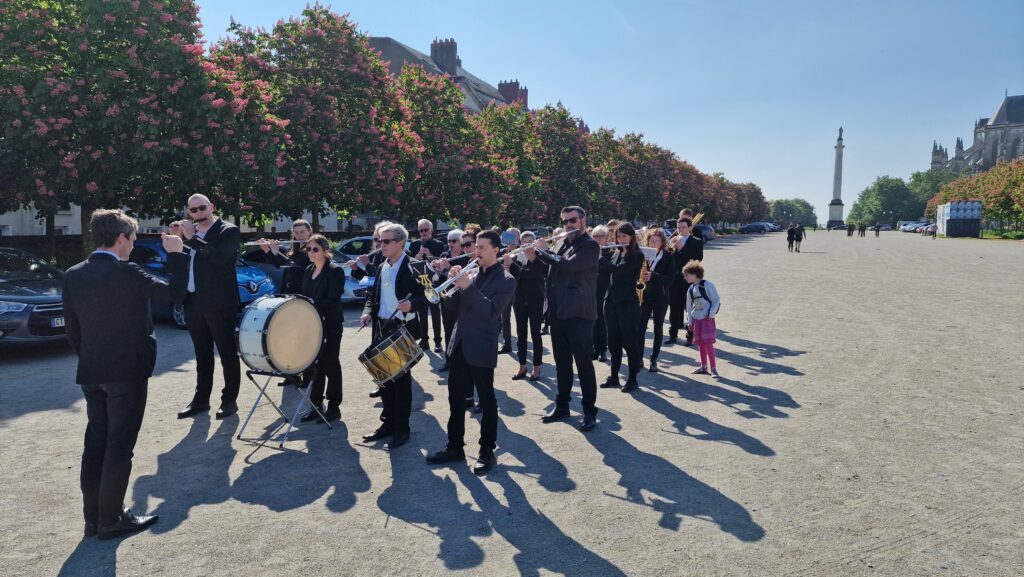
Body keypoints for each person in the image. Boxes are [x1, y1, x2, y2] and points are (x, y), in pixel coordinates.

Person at [63, 209, 189, 539]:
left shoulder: (73, 274)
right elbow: (175, 293)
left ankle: (93, 518)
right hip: (127, 372)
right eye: (132, 239)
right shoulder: (127, 272)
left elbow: (73, 330)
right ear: (120, 238)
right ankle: (112, 518)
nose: (133, 245)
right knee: (119, 446)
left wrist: (90, 356)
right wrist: (177, 255)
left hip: (92, 369)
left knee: (96, 443)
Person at [426, 230, 517, 475]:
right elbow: (456, 307)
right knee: (455, 399)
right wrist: (451, 287)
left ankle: (487, 450)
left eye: (482, 247)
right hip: (459, 344)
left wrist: (467, 286)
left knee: (486, 401)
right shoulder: (472, 273)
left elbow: (490, 312)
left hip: (481, 346)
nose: (476, 251)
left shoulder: (506, 280)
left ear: (497, 249)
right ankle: (454, 446)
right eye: (476, 246)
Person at [171, 194, 242, 420]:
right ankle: (201, 400)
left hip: (220, 302)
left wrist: (192, 239)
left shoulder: (227, 231)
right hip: (193, 300)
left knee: (227, 353)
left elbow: (221, 259)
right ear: (188, 212)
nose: (198, 213)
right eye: (193, 210)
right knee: (202, 354)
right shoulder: (188, 233)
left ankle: (229, 400)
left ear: (211, 207)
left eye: (202, 208)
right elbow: (177, 266)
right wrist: (176, 242)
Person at [532, 206, 601, 431]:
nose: (568, 225)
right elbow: (552, 271)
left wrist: (544, 252)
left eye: (573, 220)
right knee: (562, 363)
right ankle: (562, 406)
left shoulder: (591, 246)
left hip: (580, 314)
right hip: (559, 312)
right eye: (565, 221)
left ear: (583, 221)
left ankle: (590, 411)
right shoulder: (562, 243)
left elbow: (569, 266)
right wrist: (533, 255)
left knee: (583, 365)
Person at [358, 224, 427, 449]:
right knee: (383, 380)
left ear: (401, 243)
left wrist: (412, 304)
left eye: (386, 241)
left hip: (401, 328)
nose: (381, 245)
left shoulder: (416, 266)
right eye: (380, 241)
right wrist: (368, 312)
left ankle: (402, 428)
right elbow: (373, 294)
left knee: (401, 381)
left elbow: (430, 295)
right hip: (380, 326)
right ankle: (387, 424)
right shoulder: (381, 266)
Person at [266, 234, 345, 423]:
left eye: (315, 249)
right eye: (308, 249)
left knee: (331, 364)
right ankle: (316, 405)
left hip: (330, 324)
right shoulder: (309, 269)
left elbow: (332, 300)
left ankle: (334, 406)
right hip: (311, 324)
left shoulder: (335, 271)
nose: (310, 252)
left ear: (325, 251)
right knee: (314, 365)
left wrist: (309, 304)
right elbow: (303, 294)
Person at [599, 223, 644, 393]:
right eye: (619, 236)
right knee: (613, 341)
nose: (621, 239)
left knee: (629, 341)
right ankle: (614, 376)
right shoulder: (615, 253)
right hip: (610, 302)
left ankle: (632, 379)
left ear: (632, 237)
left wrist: (599, 257)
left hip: (627, 303)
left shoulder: (636, 256)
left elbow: (618, 271)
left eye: (624, 236)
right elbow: (607, 272)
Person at [508, 230, 549, 381]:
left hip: (536, 299)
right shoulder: (517, 257)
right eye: (524, 241)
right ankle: (522, 366)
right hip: (519, 299)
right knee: (521, 334)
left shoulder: (540, 259)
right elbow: (514, 276)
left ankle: (536, 367)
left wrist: (514, 265)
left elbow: (531, 274)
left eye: (530, 241)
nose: (526, 244)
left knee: (535, 334)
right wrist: (510, 261)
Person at [639, 227, 673, 373]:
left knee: (658, 328)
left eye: (656, 241)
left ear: (662, 242)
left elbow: (671, 279)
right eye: (651, 240)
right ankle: (639, 358)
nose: (653, 243)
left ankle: (654, 360)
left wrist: (654, 276)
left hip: (660, 297)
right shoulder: (643, 255)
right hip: (644, 296)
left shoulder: (667, 257)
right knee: (640, 328)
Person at [409, 219, 446, 352]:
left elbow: (442, 263)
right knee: (422, 314)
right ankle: (424, 341)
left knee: (435, 313)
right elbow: (409, 264)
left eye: (426, 230)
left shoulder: (439, 244)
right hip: (420, 285)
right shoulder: (414, 245)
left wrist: (430, 255)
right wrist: (416, 259)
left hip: (434, 284)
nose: (423, 233)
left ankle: (438, 342)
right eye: (421, 230)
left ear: (431, 231)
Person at [667, 217, 703, 346]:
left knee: (689, 309)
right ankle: (673, 335)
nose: (680, 230)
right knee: (674, 308)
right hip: (674, 280)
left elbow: (698, 258)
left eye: (683, 227)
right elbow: (669, 259)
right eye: (678, 227)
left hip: (689, 280)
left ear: (690, 228)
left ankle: (690, 336)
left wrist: (683, 248)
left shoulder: (696, 241)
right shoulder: (673, 240)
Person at [683, 259, 722, 378]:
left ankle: (714, 368)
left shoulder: (708, 285)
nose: (685, 277)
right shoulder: (690, 289)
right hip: (697, 320)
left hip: (707, 319)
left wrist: (711, 314)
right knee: (700, 344)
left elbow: (716, 299)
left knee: (709, 343)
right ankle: (703, 366)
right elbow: (688, 307)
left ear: (695, 273)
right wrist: (690, 321)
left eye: (686, 275)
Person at [436, 229, 465, 371]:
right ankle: (449, 360)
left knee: (461, 330)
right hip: (446, 298)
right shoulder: (444, 255)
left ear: (461, 243)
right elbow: (439, 279)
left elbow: (459, 280)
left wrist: (446, 268)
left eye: (454, 241)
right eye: (449, 241)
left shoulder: (466, 258)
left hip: (461, 299)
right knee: (448, 330)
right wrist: (436, 269)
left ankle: (462, 361)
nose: (451, 244)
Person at [591, 224, 613, 362]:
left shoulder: (611, 252)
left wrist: (600, 257)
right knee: (592, 319)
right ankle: (595, 347)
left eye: (601, 236)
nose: (598, 239)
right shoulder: (588, 250)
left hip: (604, 287)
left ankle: (603, 349)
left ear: (607, 238)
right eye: (595, 236)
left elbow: (610, 270)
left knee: (601, 320)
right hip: (590, 287)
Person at [497, 227, 521, 354]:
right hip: (505, 288)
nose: (511, 240)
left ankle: (521, 344)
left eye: (514, 236)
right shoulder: (501, 252)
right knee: (505, 317)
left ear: (518, 238)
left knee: (519, 318)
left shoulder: (522, 251)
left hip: (519, 289)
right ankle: (507, 344)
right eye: (508, 236)